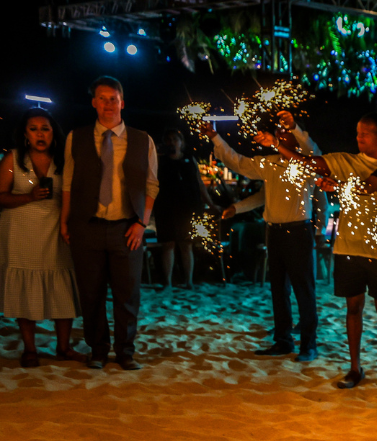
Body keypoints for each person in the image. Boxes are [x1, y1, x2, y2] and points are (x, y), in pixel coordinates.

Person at [277, 112, 377, 390]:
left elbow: (371, 188)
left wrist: (340, 186)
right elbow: (311, 161)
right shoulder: (344, 161)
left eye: (365, 133)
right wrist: (278, 145)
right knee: (353, 308)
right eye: (357, 132)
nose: (358, 137)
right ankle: (355, 367)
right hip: (349, 248)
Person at [204, 111, 320, 362]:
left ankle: (309, 344)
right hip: (274, 232)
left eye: (284, 133)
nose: (279, 135)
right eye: (279, 132)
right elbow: (238, 162)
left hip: (299, 231)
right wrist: (215, 137)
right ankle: (283, 341)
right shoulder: (270, 164)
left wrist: (296, 127)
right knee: (278, 290)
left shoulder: (308, 164)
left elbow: (314, 151)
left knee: (304, 289)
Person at [61, 75, 159, 371]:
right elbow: (68, 182)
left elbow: (152, 185)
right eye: (101, 98)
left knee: (127, 294)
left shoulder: (143, 140)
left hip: (126, 228)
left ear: (122, 103)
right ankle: (98, 349)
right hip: (86, 226)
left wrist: (142, 224)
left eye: (113, 98)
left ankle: (125, 351)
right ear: (93, 103)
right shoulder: (75, 137)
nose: (107, 104)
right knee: (90, 294)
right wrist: (65, 221)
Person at [0, 108, 83, 367]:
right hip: (21, 233)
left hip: (57, 230)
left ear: (53, 132)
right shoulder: (13, 160)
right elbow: (0, 195)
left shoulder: (64, 160)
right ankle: (30, 349)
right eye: (33, 129)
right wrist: (28, 197)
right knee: (25, 290)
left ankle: (64, 347)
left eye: (45, 128)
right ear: (25, 133)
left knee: (62, 289)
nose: (40, 134)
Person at [154, 128, 218, 289]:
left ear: (182, 142)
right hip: (167, 207)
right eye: (169, 139)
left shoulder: (190, 159)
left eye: (175, 139)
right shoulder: (160, 160)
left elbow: (199, 183)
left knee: (186, 244)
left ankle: (188, 281)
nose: (172, 142)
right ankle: (168, 282)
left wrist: (210, 204)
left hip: (189, 206)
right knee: (168, 244)